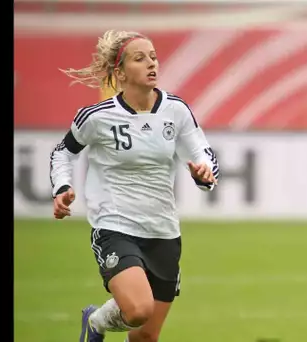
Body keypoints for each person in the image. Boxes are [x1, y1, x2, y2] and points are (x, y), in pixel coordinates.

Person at [49, 30, 220, 342]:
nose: (151, 63)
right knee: (139, 309)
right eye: (140, 58)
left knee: (145, 336)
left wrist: (204, 173)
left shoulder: (176, 110)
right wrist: (62, 187)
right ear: (120, 72)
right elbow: (64, 152)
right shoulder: (96, 117)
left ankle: (101, 322)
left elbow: (203, 154)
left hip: (164, 231)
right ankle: (96, 323)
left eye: (153, 56)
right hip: (115, 226)